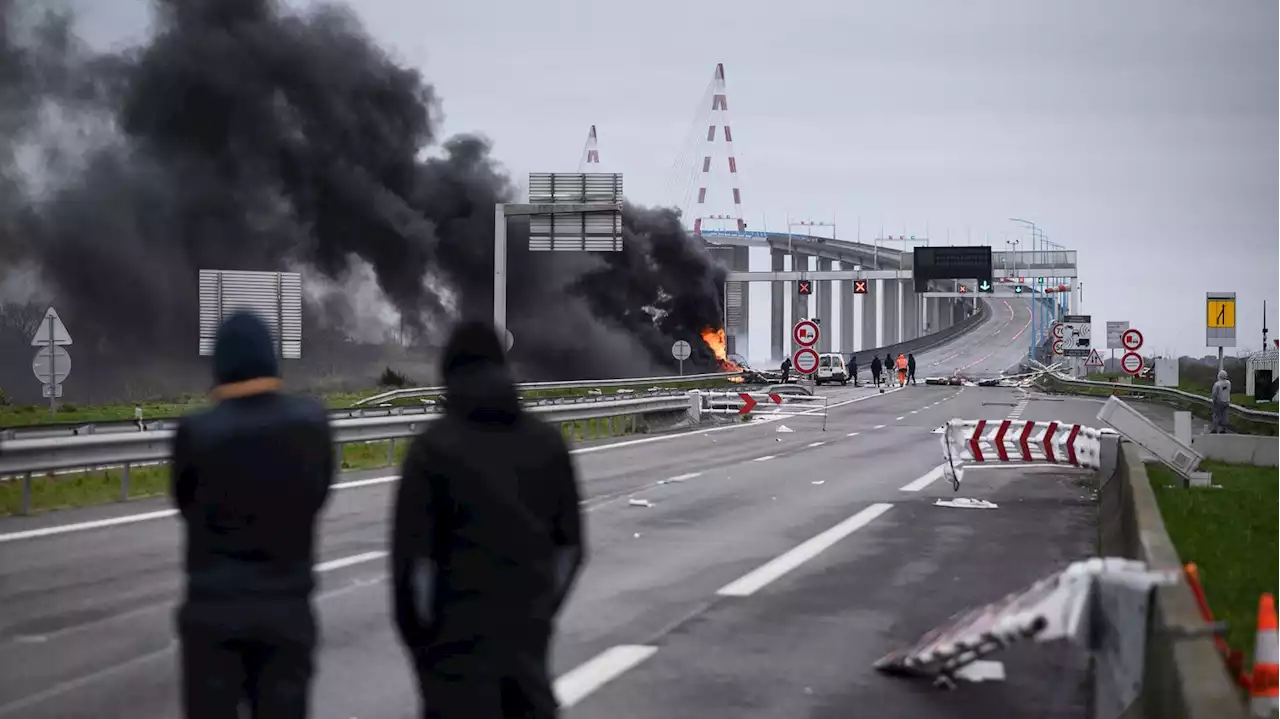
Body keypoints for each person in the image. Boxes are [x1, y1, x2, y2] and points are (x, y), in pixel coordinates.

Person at [392, 320, 586, 719]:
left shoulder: (431, 450)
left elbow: (413, 568)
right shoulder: (547, 444)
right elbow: (569, 548)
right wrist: (538, 612)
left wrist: (427, 646)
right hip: (526, 649)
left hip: (453, 658)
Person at [170, 311, 334, 719]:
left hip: (213, 612)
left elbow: (185, 503)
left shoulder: (196, 431)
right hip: (286, 607)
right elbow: (317, 491)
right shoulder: (311, 424)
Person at [1211, 369, 1232, 434]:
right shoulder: (1228, 383)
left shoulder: (1217, 384)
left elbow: (1214, 394)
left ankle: (1215, 429)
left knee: (1216, 415)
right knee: (1224, 415)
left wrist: (1214, 402)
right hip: (1226, 401)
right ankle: (1223, 429)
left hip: (1218, 402)